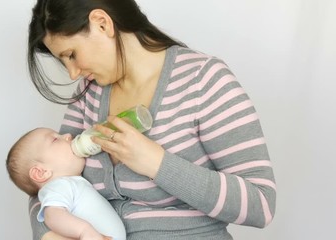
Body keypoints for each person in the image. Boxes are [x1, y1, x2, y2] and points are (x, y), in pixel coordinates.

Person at [26, 0, 277, 239]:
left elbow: (261, 205)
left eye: (71, 54)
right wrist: (46, 233)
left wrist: (157, 163)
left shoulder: (203, 80)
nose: (72, 72)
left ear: (102, 23)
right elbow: (48, 178)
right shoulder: (89, 93)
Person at [6, 127, 126, 240]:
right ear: (41, 172)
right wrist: (84, 231)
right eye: (55, 139)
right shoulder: (58, 186)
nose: (68, 135)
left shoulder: (70, 183)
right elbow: (52, 215)